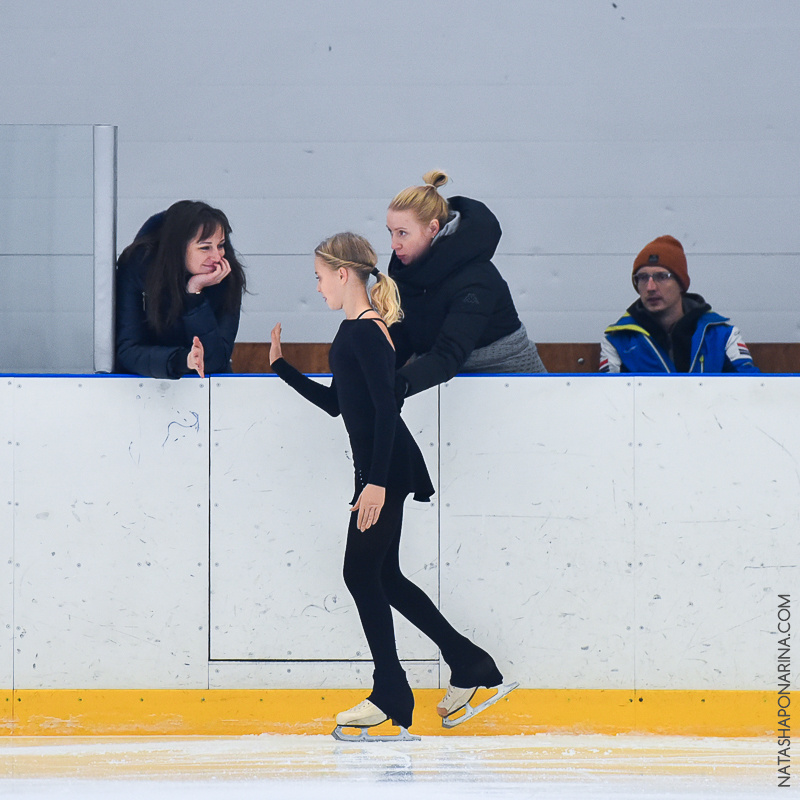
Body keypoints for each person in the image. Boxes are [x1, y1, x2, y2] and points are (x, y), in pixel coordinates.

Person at [269, 232, 515, 741]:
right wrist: (280, 367)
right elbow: (340, 404)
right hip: (382, 469)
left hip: (387, 470)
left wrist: (376, 483)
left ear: (343, 274)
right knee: (383, 577)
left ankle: (391, 692)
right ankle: (469, 665)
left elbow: (386, 409)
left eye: (319, 278)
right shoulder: (353, 331)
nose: (317, 288)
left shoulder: (366, 331)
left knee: (359, 574)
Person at [386, 170, 546, 401]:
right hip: (445, 384)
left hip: (515, 386)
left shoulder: (477, 279)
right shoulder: (406, 276)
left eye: (402, 233)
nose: (394, 245)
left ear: (432, 229)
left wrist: (396, 385)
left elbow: (448, 354)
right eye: (391, 232)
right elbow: (402, 339)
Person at [115, 200, 246, 379]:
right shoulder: (138, 268)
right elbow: (128, 351)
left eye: (221, 245)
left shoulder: (227, 277)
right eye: (205, 247)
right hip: (141, 388)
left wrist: (194, 294)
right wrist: (182, 360)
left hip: (209, 391)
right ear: (177, 248)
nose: (217, 256)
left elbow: (216, 360)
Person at [600, 235, 758, 373]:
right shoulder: (617, 340)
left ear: (681, 284)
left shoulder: (722, 336)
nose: (650, 287)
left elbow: (750, 388)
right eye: (642, 278)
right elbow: (609, 398)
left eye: (662, 277)